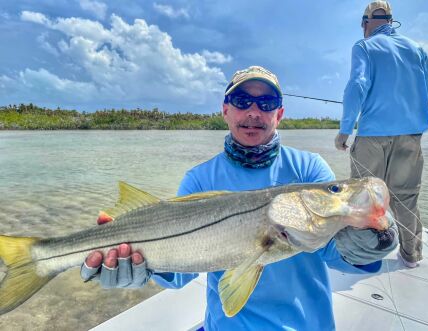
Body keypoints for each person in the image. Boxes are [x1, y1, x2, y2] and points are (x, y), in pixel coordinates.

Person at [82, 65, 398, 330]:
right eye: (242, 100)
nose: (253, 112)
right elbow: (181, 274)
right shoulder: (199, 179)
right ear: (225, 110)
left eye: (267, 102)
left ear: (280, 113)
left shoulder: (308, 168)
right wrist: (141, 267)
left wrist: (368, 243)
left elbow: (335, 253)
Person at [334, 1, 428, 269]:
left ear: (367, 22)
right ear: (390, 20)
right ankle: (411, 256)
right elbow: (427, 93)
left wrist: (345, 130)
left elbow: (357, 85)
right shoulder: (418, 49)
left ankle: (361, 256)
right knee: (406, 198)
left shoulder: (363, 46)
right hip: (411, 136)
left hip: (372, 137)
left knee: (363, 198)